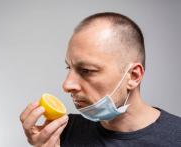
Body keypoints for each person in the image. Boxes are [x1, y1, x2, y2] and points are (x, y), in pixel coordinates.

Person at [19, 12, 181, 147]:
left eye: (87, 70)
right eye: (69, 67)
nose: (66, 85)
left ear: (133, 76)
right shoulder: (61, 132)